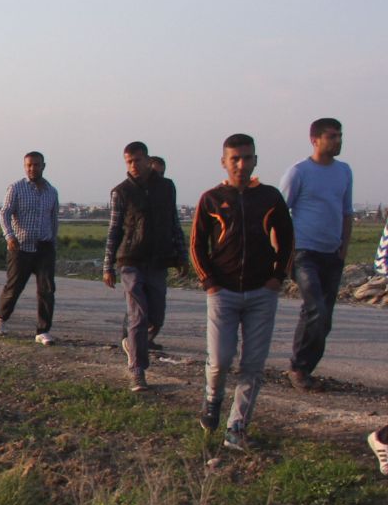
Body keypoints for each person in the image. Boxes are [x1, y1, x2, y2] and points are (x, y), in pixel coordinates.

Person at [191, 133, 295, 451]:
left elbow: (288, 238)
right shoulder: (211, 199)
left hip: (262, 292)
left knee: (253, 365)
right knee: (220, 360)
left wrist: (278, 277)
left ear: (255, 161)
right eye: (234, 158)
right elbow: (196, 244)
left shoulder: (270, 197)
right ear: (224, 161)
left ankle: (236, 427)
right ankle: (212, 401)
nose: (241, 164)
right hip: (223, 293)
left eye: (247, 157)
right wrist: (209, 281)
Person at [103, 141, 185, 392]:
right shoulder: (121, 192)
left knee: (156, 315)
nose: (133, 165)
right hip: (130, 259)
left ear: (148, 160)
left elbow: (174, 222)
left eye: (138, 160)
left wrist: (181, 255)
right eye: (129, 161)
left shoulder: (166, 187)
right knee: (138, 313)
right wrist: (108, 265)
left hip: (158, 259)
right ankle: (137, 370)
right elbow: (114, 230)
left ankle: (133, 342)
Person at [280, 117, 353, 393]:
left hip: (332, 254)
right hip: (304, 253)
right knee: (315, 309)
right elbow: (279, 212)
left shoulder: (344, 171)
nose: (338, 141)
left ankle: (305, 367)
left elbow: (346, 212)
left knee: (324, 317)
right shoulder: (299, 172)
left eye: (340, 136)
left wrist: (344, 246)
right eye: (332, 136)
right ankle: (298, 368)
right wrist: (286, 251)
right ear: (315, 140)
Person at [0, 151, 60, 344]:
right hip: (21, 247)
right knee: (14, 287)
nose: (32, 168)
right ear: (25, 167)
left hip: (44, 247)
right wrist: (9, 236)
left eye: (36, 165)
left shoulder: (51, 191)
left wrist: (53, 242)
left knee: (47, 289)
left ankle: (43, 330)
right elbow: (4, 214)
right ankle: (1, 316)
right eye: (29, 165)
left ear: (43, 166)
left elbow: (53, 218)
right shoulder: (16, 188)